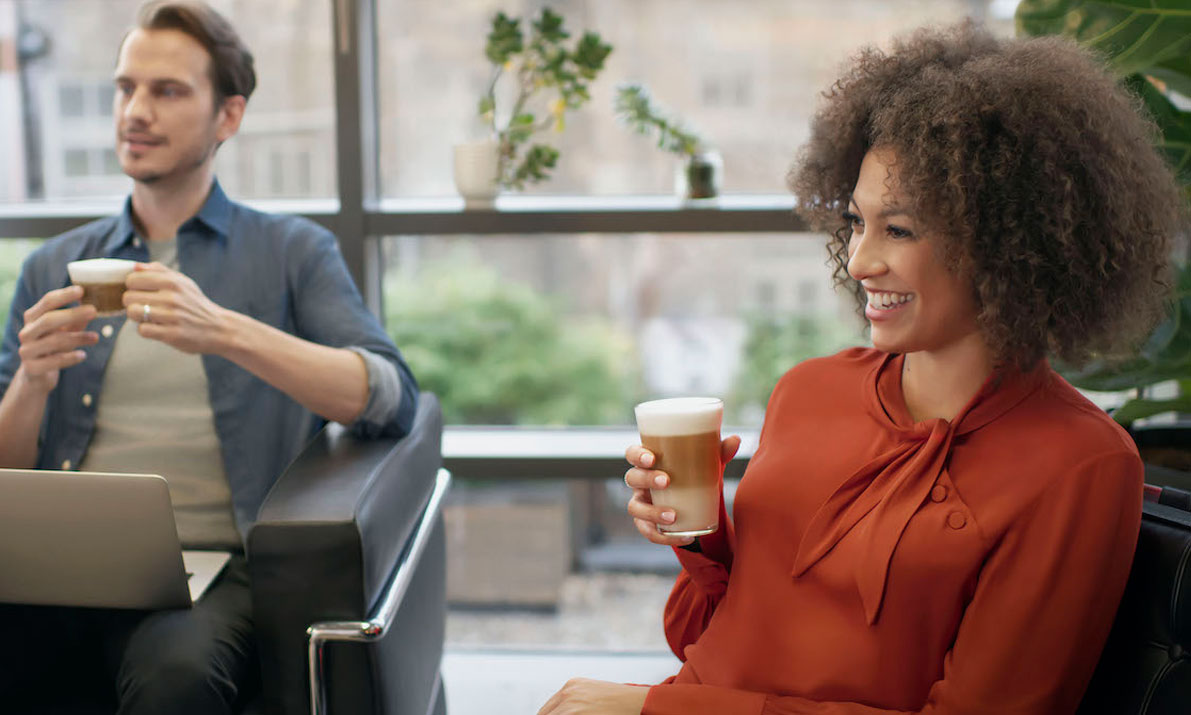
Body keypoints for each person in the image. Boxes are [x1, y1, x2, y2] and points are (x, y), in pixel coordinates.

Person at [539, 21, 1184, 715]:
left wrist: (646, 708)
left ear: (1008, 240)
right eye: (854, 222)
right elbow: (702, 638)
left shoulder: (1079, 464)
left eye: (898, 229)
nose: (858, 262)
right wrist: (698, 536)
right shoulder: (810, 389)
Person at [0, 2, 417, 712]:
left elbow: (388, 394)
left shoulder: (290, 252)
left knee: (176, 679)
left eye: (167, 91)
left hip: (214, 569)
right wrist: (32, 383)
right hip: (56, 566)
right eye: (125, 87)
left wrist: (223, 329)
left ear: (228, 115)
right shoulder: (54, 265)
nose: (135, 111)